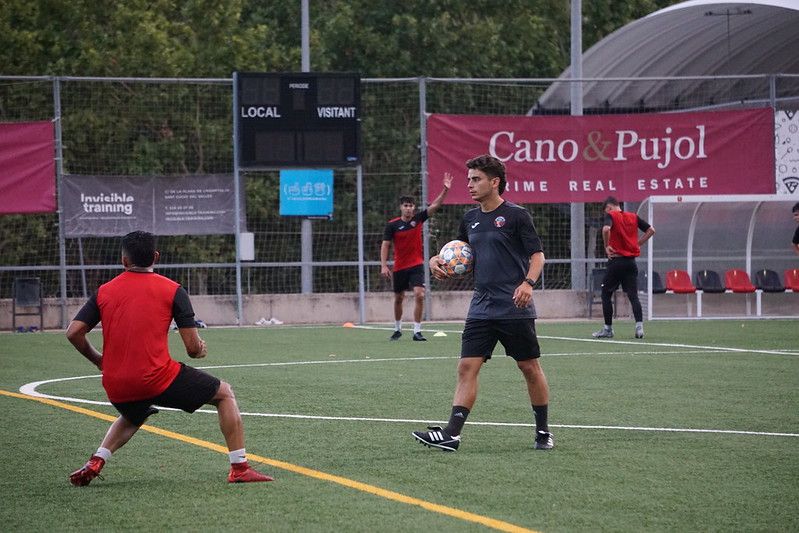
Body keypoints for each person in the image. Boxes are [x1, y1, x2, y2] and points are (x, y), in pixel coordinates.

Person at [66, 230, 272, 486]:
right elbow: (192, 349)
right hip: (156, 378)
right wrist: (200, 349)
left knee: (134, 413)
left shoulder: (104, 292)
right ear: (156, 257)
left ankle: (96, 461)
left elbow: (73, 332)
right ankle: (239, 467)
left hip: (115, 384)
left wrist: (99, 360)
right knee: (224, 394)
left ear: (124, 260)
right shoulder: (173, 290)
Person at [411, 154, 553, 452]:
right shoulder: (470, 219)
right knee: (466, 367)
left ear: (495, 182)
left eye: (476, 179)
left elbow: (537, 256)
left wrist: (528, 283)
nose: (470, 185)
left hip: (514, 306)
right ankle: (451, 434)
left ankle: (543, 432)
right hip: (481, 307)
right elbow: (457, 253)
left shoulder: (517, 216)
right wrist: (436, 260)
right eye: (469, 180)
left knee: (529, 367)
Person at [381, 173, 453, 341]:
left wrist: (445, 190)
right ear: (401, 207)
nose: (408, 208)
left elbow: (435, 205)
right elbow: (385, 245)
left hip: (416, 265)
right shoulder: (392, 225)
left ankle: (417, 331)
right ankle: (397, 328)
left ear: (414, 207)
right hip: (399, 267)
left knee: (419, 295)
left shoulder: (419, 219)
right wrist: (384, 265)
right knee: (399, 298)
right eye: (405, 205)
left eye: (411, 205)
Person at [592, 196, 656, 340]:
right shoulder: (633, 217)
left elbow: (606, 229)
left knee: (606, 294)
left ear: (609, 208)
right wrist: (638, 243)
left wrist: (607, 246)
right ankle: (639, 327)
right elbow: (651, 230)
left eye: (606, 211)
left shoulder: (611, 215)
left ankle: (608, 329)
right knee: (633, 295)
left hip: (616, 261)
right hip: (631, 263)